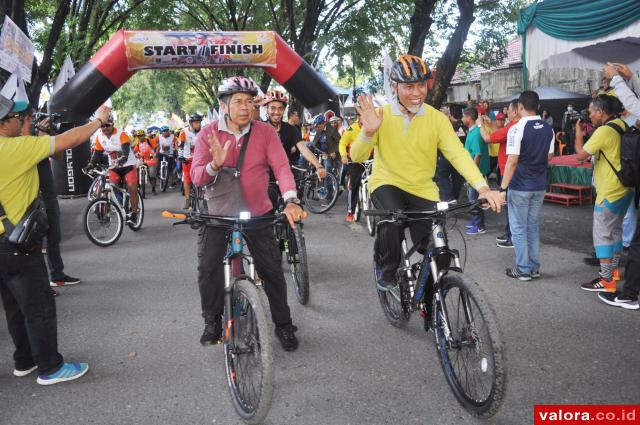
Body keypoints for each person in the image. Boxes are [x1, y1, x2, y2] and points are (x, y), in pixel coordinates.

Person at [349, 54, 502, 291]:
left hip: (423, 189)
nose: (416, 92)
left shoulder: (436, 119)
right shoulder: (381, 116)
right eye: (408, 86)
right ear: (394, 86)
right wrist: (367, 133)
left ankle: (432, 306)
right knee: (392, 221)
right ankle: (387, 268)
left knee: (440, 252)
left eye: (421, 85)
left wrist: (482, 187)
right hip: (387, 183)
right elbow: (356, 157)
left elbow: (458, 155)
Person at [1, 96, 111, 384]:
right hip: (18, 245)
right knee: (38, 306)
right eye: (17, 119)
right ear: (5, 123)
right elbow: (70, 139)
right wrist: (99, 120)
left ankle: (24, 361)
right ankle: (50, 367)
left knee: (13, 306)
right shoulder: (15, 149)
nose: (21, 122)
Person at [190, 76, 305, 351]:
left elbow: (281, 168)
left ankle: (284, 325)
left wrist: (291, 199)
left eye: (250, 102)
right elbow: (196, 177)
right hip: (218, 215)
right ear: (224, 105)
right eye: (238, 101)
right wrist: (213, 166)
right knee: (208, 269)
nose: (245, 107)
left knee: (273, 271)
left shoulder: (265, 132)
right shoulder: (207, 134)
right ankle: (212, 321)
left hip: (258, 214)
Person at [575, 95, 631, 293]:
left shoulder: (604, 131)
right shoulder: (622, 125)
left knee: (602, 236)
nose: (589, 115)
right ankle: (613, 271)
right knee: (615, 232)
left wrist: (578, 134)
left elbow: (581, 156)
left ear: (601, 111)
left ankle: (606, 279)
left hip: (609, 191)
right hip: (626, 188)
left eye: (591, 112)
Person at [597, 62, 640, 309]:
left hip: (611, 193)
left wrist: (616, 79)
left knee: (636, 243)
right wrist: (630, 77)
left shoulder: (606, 131)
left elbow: (636, 106)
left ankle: (630, 294)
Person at [499, 91, 554, 281]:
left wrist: (502, 188)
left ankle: (523, 269)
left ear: (520, 107)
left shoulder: (516, 129)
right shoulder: (548, 128)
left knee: (518, 228)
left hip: (520, 185)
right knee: (532, 227)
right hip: (539, 185)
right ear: (537, 106)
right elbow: (549, 156)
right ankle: (534, 267)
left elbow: (512, 161)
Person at [30, 115, 81, 289]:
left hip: (49, 194)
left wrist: (51, 134)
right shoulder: (25, 140)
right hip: (36, 195)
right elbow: (36, 153)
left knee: (54, 237)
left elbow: (57, 155)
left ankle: (57, 275)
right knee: (34, 241)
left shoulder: (41, 136)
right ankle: (40, 285)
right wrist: (42, 133)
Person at [263, 89, 327, 206]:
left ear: (284, 110)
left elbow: (303, 149)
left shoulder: (291, 130)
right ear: (266, 109)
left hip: (286, 174)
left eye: (280, 108)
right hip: (264, 177)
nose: (276, 112)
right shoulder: (260, 128)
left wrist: (318, 166)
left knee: (295, 206)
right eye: (272, 108)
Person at [479, 99, 520, 248]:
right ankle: (510, 233)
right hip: (509, 169)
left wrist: (479, 125)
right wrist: (489, 124)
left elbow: (488, 138)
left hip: (508, 171)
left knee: (511, 206)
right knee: (511, 206)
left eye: (508, 110)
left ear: (515, 111)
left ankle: (512, 237)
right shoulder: (513, 126)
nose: (505, 112)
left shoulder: (513, 127)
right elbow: (498, 132)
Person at [87, 114, 139, 224]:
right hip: (114, 167)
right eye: (103, 126)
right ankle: (111, 208)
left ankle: (134, 213)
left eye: (108, 125)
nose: (105, 128)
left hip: (128, 166)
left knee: (132, 188)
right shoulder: (99, 137)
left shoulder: (121, 134)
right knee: (110, 187)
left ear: (113, 124)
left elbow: (125, 150)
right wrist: (90, 165)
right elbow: (97, 154)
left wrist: (123, 157)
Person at [462, 107, 489, 235]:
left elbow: (478, 155)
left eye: (463, 116)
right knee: (472, 198)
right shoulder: (472, 131)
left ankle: (479, 225)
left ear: (469, 118)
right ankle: (475, 221)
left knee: (475, 199)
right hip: (473, 172)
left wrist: (471, 175)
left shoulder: (476, 133)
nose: (462, 119)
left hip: (475, 173)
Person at [339, 113, 368, 222]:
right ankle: (351, 211)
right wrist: (343, 155)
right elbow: (342, 144)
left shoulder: (373, 127)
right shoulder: (351, 129)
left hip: (369, 159)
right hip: (355, 161)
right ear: (359, 117)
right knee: (354, 185)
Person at [435, 105, 466, 201]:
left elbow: (440, 141)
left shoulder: (449, 127)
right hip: (460, 157)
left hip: (447, 157)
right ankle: (454, 198)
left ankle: (449, 197)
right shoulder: (465, 126)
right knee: (457, 178)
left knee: (441, 176)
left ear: (451, 115)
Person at [178, 114, 203, 208]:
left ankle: (203, 195)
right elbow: (180, 146)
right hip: (187, 158)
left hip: (200, 158)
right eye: (196, 123)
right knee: (187, 178)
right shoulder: (184, 132)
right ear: (191, 123)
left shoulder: (203, 130)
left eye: (199, 122)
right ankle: (187, 199)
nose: (198, 125)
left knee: (202, 176)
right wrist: (181, 156)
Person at [134, 129, 158, 195]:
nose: (141, 137)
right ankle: (138, 184)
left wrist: (155, 153)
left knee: (152, 173)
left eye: (142, 135)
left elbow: (156, 147)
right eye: (139, 136)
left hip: (150, 156)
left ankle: (153, 189)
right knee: (135, 168)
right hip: (142, 157)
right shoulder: (138, 143)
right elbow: (135, 151)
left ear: (144, 135)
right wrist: (135, 154)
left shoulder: (149, 140)